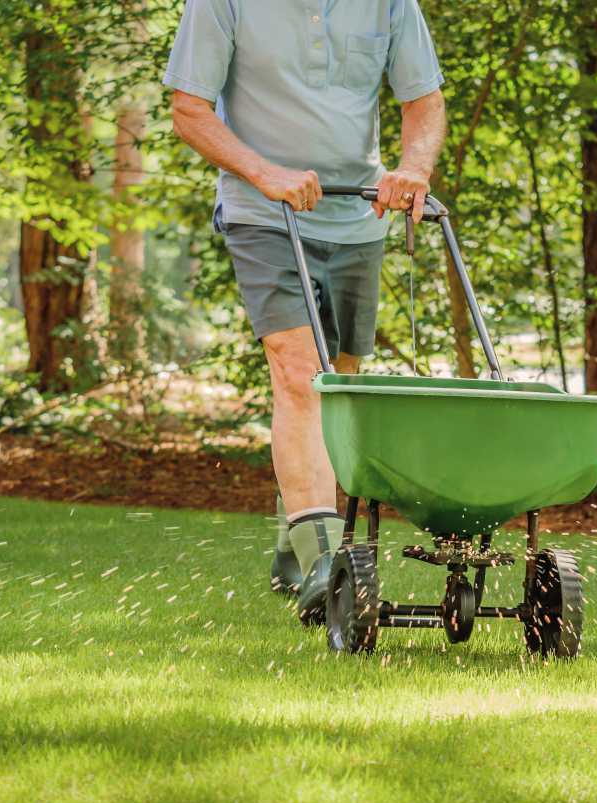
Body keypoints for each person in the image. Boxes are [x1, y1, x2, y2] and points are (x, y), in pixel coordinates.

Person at [163, 0, 447, 622]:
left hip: (358, 215)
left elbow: (422, 99)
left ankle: (294, 537)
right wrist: (263, 173)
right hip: (265, 213)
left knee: (340, 384)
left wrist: (412, 168)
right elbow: (189, 110)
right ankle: (324, 563)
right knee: (299, 374)